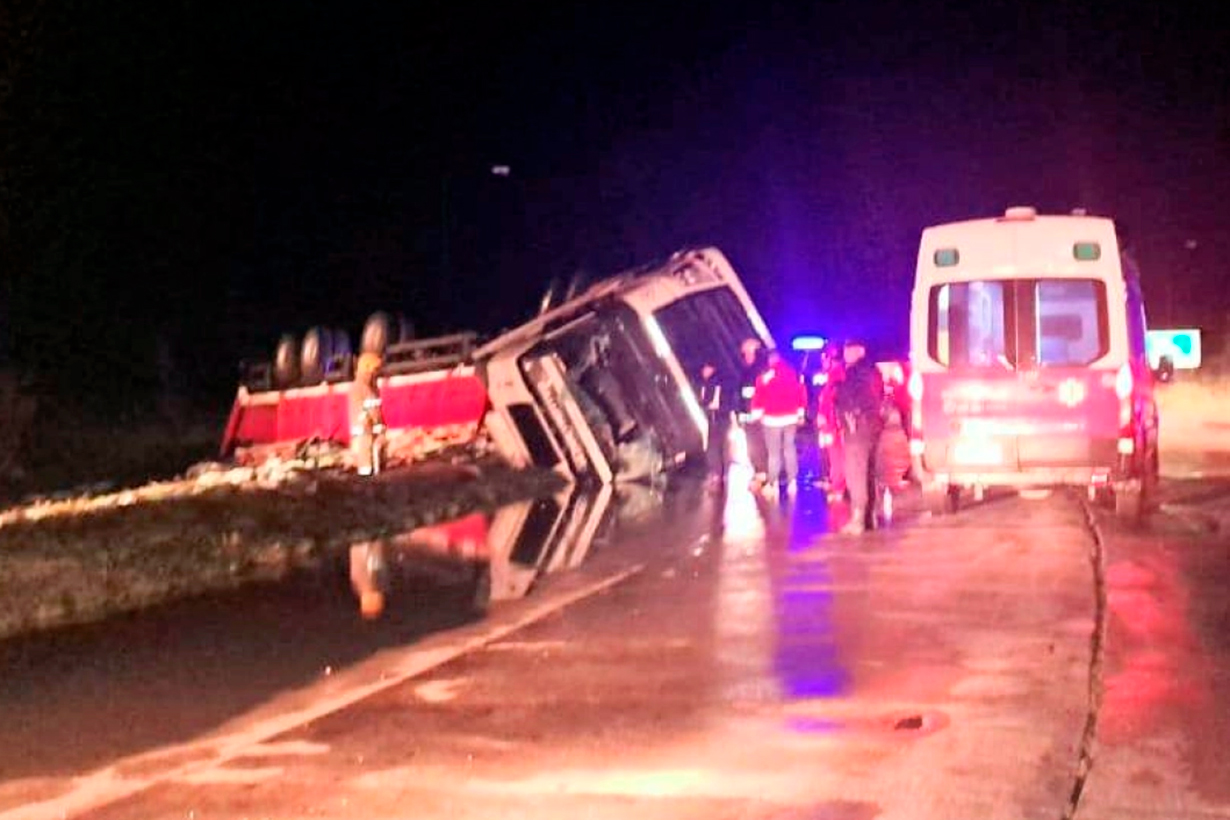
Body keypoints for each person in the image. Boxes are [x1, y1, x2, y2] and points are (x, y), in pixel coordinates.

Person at [833, 338, 885, 534]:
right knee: (869, 471)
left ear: (860, 351)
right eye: (846, 350)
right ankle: (870, 516)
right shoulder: (873, 370)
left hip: (857, 426)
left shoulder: (855, 373)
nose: (846, 353)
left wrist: (839, 392)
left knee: (856, 472)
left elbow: (851, 397)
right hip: (872, 425)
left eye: (850, 349)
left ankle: (858, 518)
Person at [751, 348, 806, 497]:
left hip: (771, 419)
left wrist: (756, 415)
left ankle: (773, 483)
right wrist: (800, 414)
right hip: (791, 417)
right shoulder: (793, 373)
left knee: (774, 452)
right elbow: (801, 394)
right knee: (789, 449)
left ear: (770, 360)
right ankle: (792, 482)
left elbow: (759, 395)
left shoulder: (765, 376)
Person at [736, 337, 768, 488]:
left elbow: (753, 394)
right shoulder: (749, 370)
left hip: (756, 416)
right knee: (753, 445)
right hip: (750, 415)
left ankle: (762, 474)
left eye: (747, 353)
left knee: (758, 445)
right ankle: (759, 472)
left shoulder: (757, 370)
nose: (745, 356)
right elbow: (743, 395)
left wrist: (750, 412)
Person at [697, 361, 734, 488]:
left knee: (713, 447)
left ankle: (716, 474)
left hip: (715, 418)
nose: (703, 372)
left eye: (704, 369)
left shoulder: (710, 383)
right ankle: (726, 473)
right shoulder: (726, 381)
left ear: (710, 369)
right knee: (725, 446)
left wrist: (704, 404)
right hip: (725, 417)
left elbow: (707, 402)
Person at [350, 352, 386, 476]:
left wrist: (380, 423)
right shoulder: (358, 387)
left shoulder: (373, 387)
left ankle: (377, 468)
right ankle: (365, 472)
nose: (377, 372)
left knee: (379, 444)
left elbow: (376, 407)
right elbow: (358, 408)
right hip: (364, 426)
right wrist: (366, 421)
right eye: (375, 369)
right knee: (365, 446)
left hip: (374, 423)